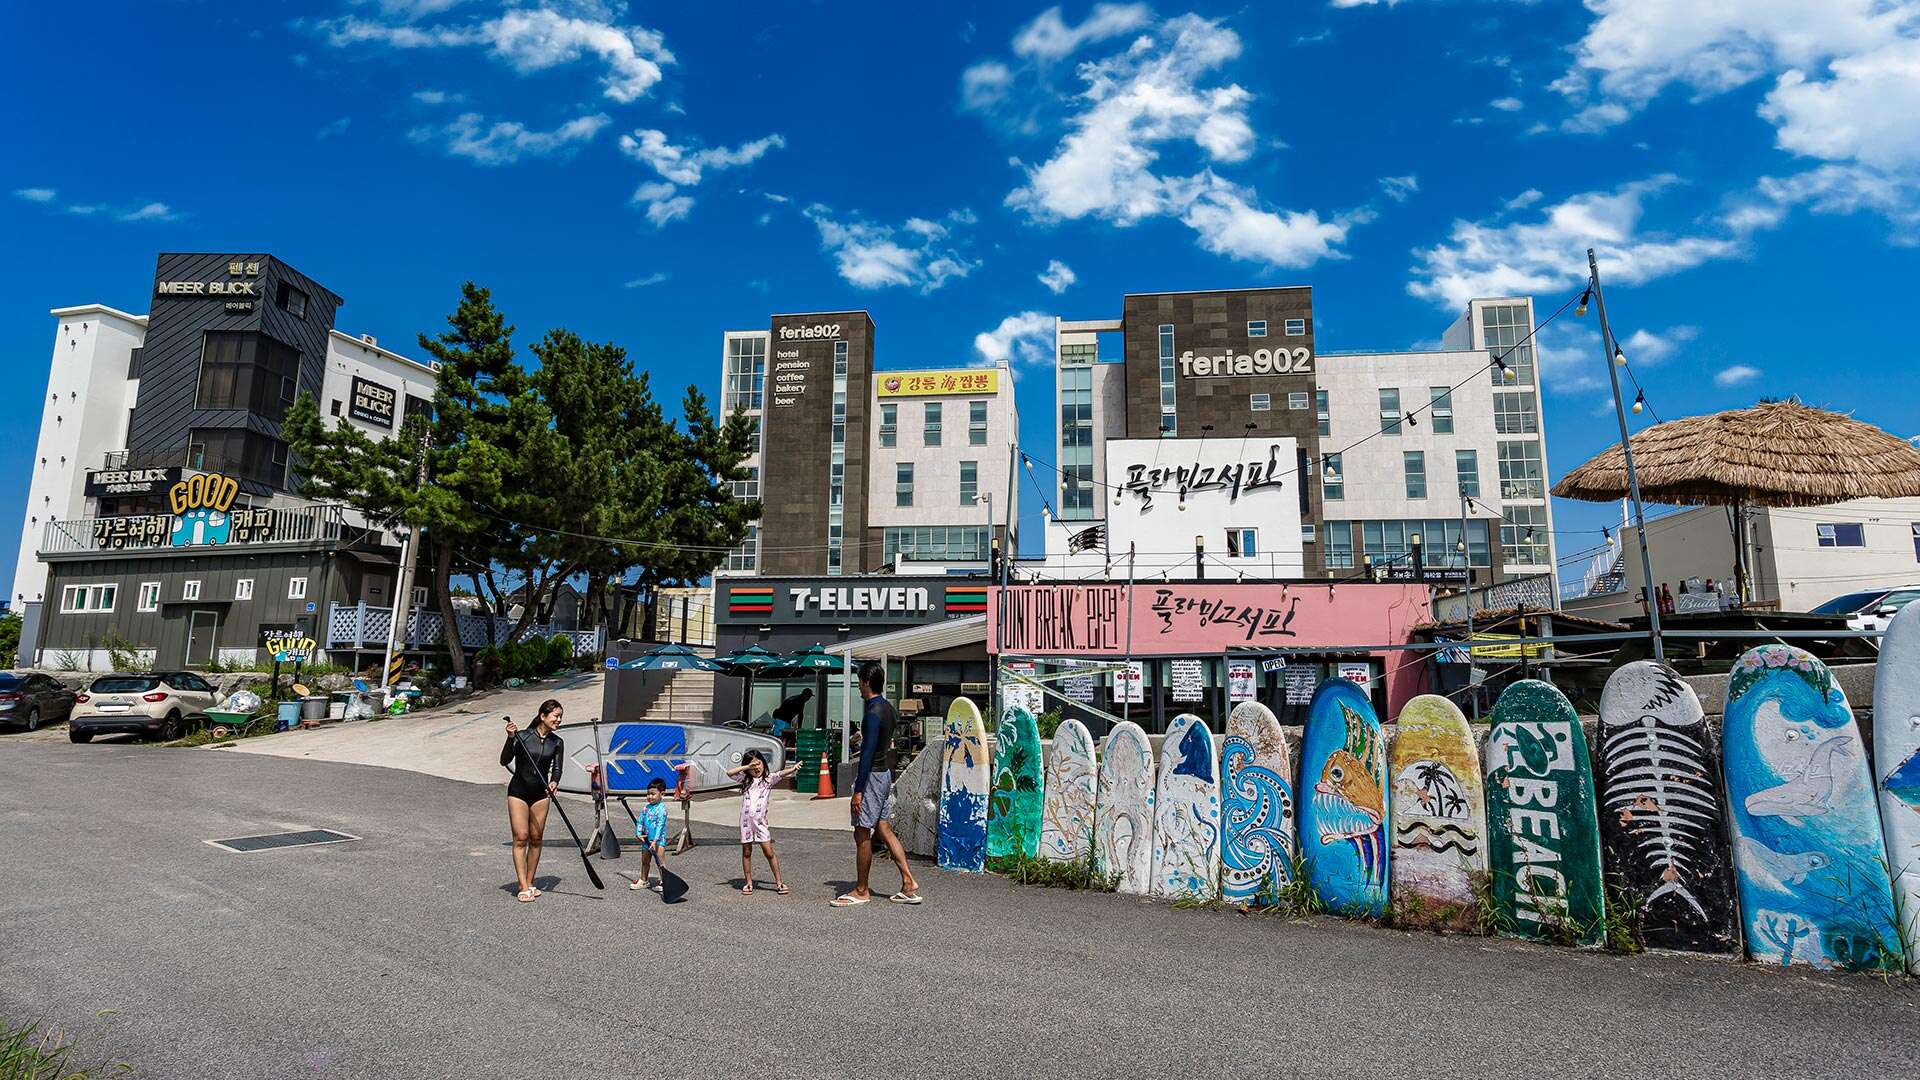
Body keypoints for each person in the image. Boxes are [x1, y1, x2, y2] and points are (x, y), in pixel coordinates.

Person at [831, 661, 921, 907]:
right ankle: (908, 881)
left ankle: (861, 890)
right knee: (883, 828)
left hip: (871, 776)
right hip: (885, 775)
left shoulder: (872, 712)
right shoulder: (889, 708)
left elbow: (867, 754)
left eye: (859, 682)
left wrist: (858, 791)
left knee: (862, 832)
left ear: (866, 682)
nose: (858, 687)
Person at [502, 700, 565, 903]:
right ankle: (522, 885)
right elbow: (504, 760)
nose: (559, 719)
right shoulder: (522, 736)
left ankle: (530, 882)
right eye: (556, 715)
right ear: (542, 716)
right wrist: (510, 738)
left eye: (560, 716)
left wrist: (554, 782)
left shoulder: (557, 742)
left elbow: (557, 769)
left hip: (541, 793)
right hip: (518, 791)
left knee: (536, 838)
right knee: (521, 837)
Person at [725, 750, 800, 895]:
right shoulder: (745, 780)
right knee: (747, 852)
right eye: (753, 766)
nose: (756, 768)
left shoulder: (768, 779)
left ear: (764, 763)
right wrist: (747, 767)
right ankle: (748, 883)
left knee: (769, 852)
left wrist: (793, 768)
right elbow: (729, 772)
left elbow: (781, 774)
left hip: (761, 823)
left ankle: (779, 882)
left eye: (758, 763)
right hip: (746, 822)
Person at [631, 778, 671, 892]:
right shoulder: (646, 808)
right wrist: (638, 833)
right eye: (648, 794)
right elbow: (640, 821)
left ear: (662, 794)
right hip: (646, 840)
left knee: (660, 862)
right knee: (645, 861)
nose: (650, 796)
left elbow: (660, 825)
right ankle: (644, 880)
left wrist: (655, 840)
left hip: (658, 841)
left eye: (653, 794)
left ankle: (665, 881)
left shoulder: (661, 809)